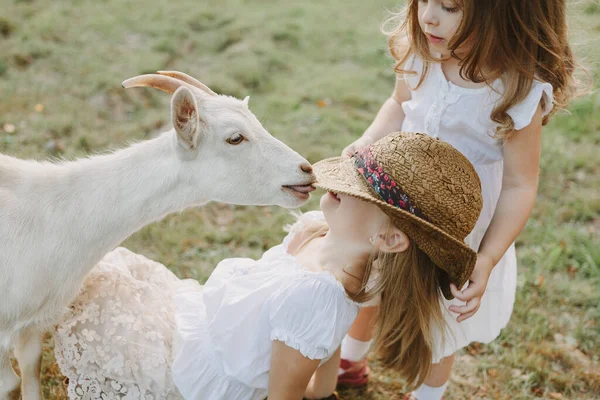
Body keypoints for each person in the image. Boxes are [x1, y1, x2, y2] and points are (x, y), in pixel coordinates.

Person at [54, 132, 482, 400]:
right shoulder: (318, 232)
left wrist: (314, 389)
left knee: (91, 300)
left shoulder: (318, 295)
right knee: (99, 270)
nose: (338, 184)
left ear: (388, 239)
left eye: (359, 192)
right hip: (200, 325)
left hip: (195, 375)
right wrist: (323, 388)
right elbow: (324, 351)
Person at [338, 1, 580, 399]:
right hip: (396, 197)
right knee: (369, 279)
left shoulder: (517, 89)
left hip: (457, 225)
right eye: (425, 1)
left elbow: (521, 184)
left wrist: (484, 258)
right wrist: (368, 142)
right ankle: (351, 360)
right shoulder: (422, 54)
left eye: (449, 7)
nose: (428, 17)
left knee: (438, 318)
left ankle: (427, 395)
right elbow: (399, 105)